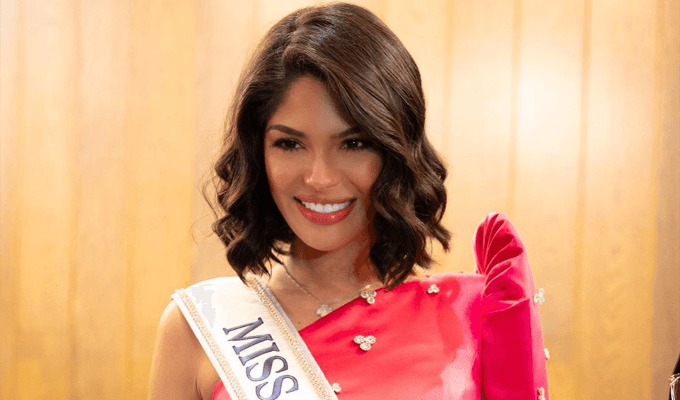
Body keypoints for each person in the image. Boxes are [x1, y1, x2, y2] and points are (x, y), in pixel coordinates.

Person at [148, 3, 549, 400]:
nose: (319, 178)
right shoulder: (196, 330)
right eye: (289, 144)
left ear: (396, 151)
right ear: (259, 154)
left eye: (353, 143)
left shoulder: (471, 317)